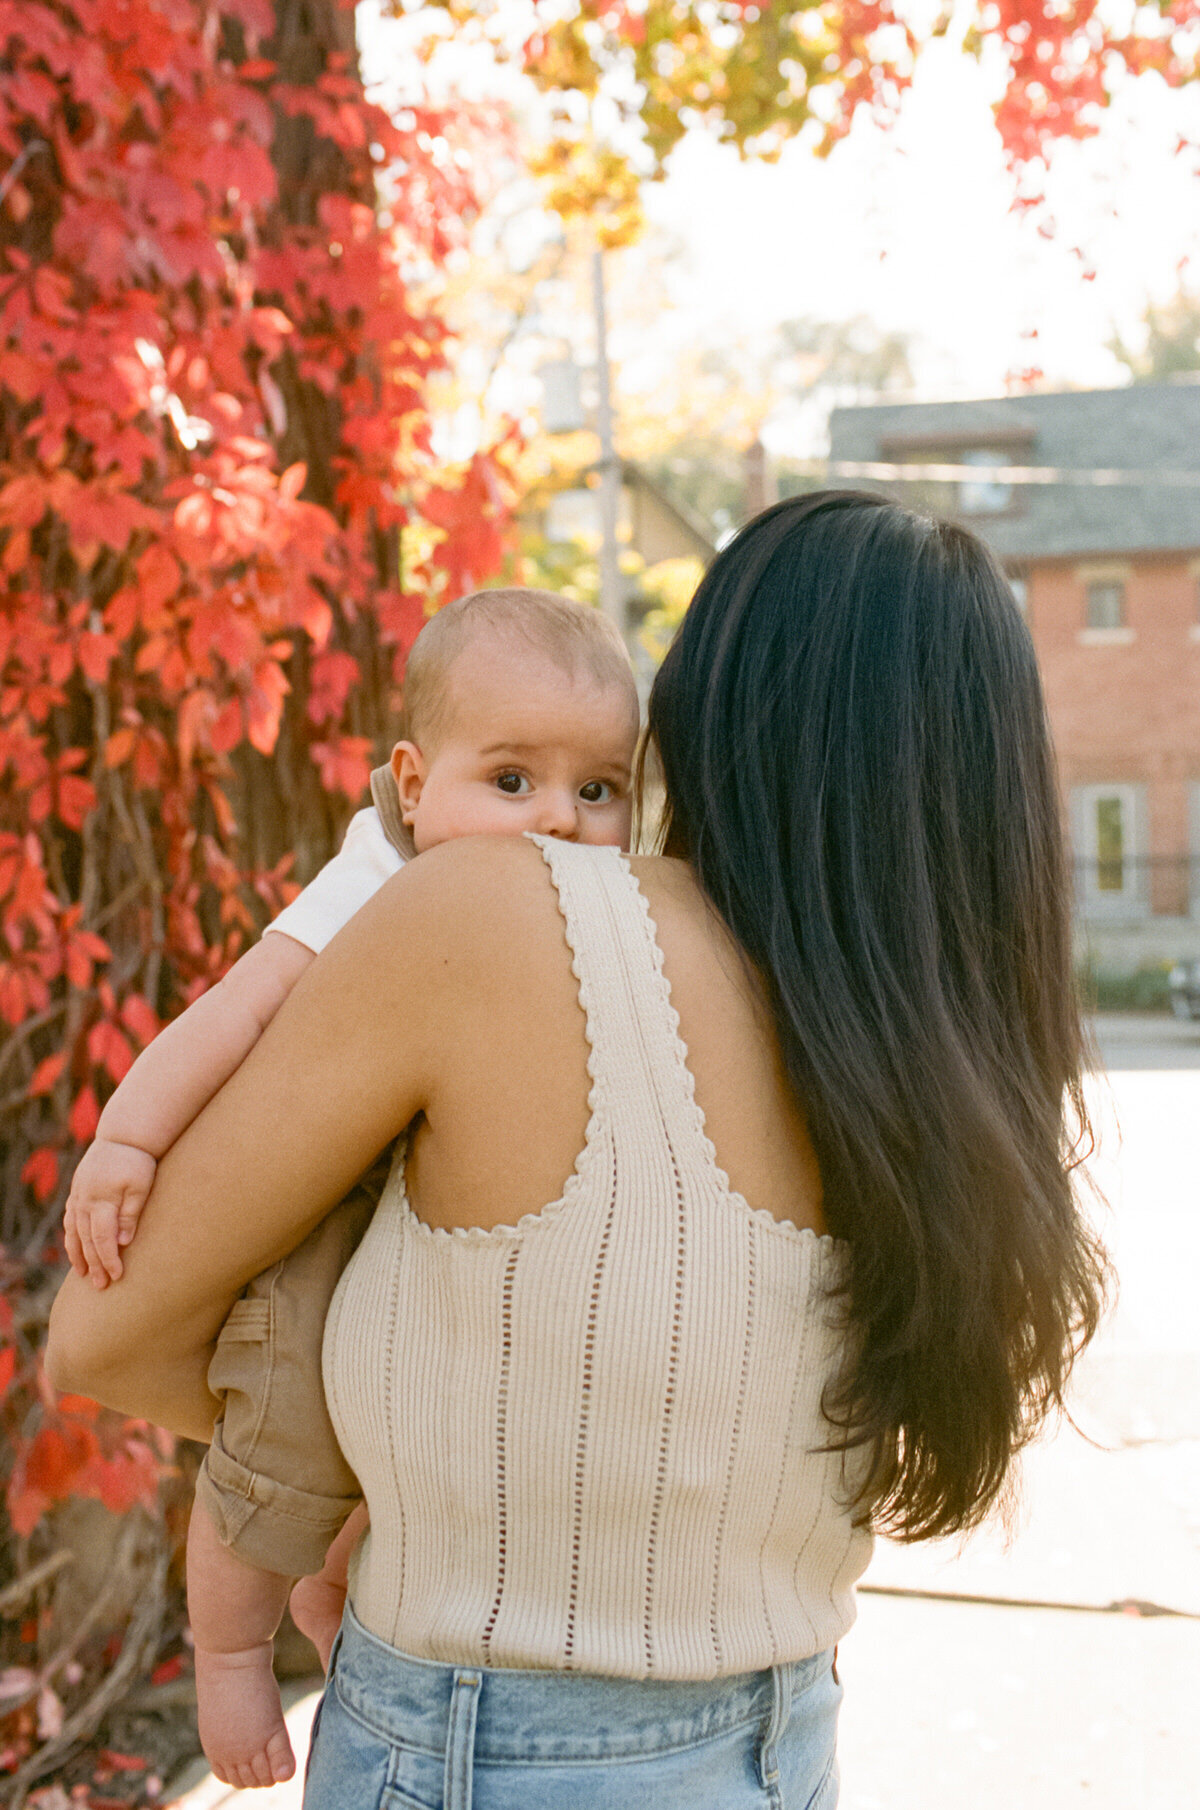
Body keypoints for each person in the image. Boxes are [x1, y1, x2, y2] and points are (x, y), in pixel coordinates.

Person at [48, 492, 1110, 1810]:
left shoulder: (496, 909)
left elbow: (106, 1331)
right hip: (788, 1739)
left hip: (490, 1747)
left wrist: (393, 1456)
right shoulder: (947, 1071)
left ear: (712, 706)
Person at [59, 586, 641, 1788]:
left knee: (398, 1462)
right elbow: (241, 1004)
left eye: (598, 789)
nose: (560, 822)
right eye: (513, 780)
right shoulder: (382, 869)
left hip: (443, 1221)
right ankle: (226, 1654)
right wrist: (127, 1140)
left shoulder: (586, 895)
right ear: (416, 785)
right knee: (285, 1440)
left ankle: (336, 1622)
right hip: (320, 1218)